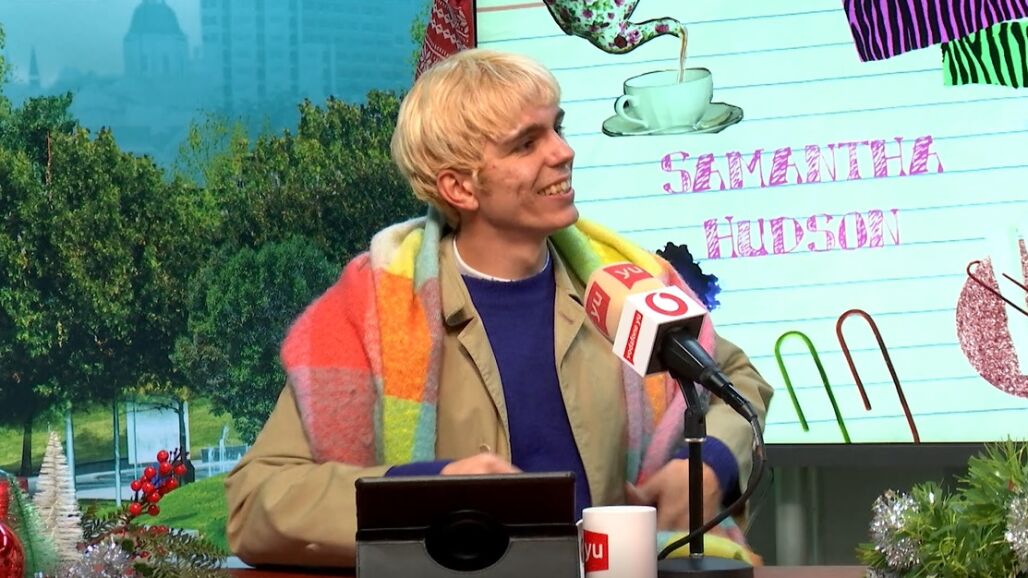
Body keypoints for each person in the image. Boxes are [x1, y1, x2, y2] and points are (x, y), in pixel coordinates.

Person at [225, 48, 774, 568]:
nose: (562, 152)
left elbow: (735, 381)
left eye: (557, 128)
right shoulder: (370, 311)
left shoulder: (624, 285)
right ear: (459, 187)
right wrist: (431, 493)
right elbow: (255, 502)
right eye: (526, 143)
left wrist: (711, 465)